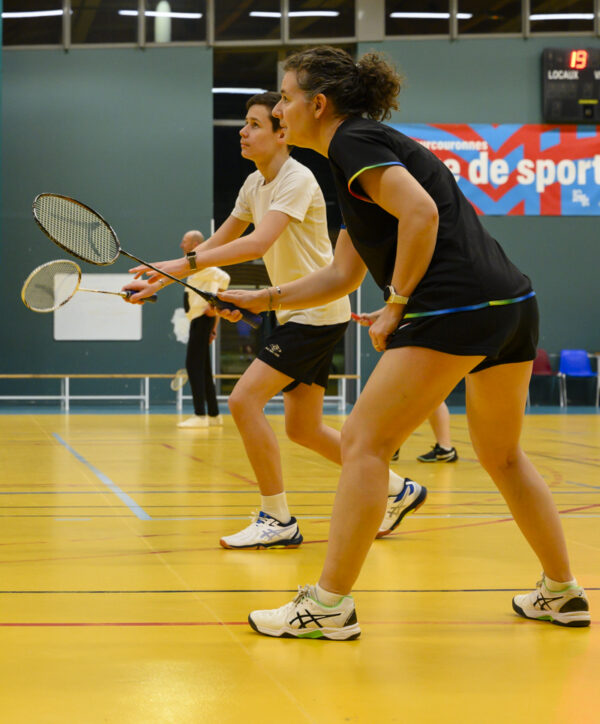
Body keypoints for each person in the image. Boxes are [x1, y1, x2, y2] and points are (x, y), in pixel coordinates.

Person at [213, 46, 589, 638]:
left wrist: (396, 304)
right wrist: (270, 298)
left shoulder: (353, 143)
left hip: (454, 304)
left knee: (363, 442)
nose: (279, 109)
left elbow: (420, 214)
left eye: (284, 98)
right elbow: (340, 276)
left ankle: (329, 605)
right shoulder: (356, 163)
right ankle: (563, 591)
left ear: (319, 103)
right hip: (509, 305)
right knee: (503, 455)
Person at [123, 91, 426, 549]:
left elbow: (255, 244)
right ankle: (396, 487)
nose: (243, 132)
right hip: (297, 311)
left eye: (254, 124)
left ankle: (277, 517)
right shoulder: (254, 184)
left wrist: (176, 269)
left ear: (281, 132)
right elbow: (213, 246)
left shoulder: (296, 178)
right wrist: (159, 278)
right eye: (243, 124)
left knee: (244, 401)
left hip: (315, 312)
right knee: (302, 428)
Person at [354, 309, 458, 462]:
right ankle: (444, 448)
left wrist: (381, 317)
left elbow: (406, 298)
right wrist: (376, 316)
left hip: (422, 330)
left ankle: (391, 445)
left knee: (401, 391)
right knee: (429, 393)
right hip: (427, 329)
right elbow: (405, 300)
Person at [179, 229, 230, 428]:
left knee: (192, 365)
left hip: (201, 320)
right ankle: (214, 414)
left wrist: (215, 308)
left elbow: (224, 277)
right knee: (204, 368)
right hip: (201, 321)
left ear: (194, 245)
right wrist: (215, 323)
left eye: (184, 241)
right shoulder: (195, 267)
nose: (181, 245)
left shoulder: (203, 265)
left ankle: (199, 415)